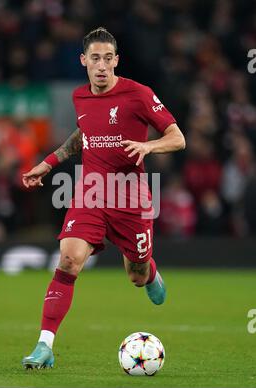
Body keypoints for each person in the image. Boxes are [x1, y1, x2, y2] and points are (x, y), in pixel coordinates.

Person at [21, 27, 185, 369]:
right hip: (91, 192)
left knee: (135, 275)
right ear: (84, 60)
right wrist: (49, 163)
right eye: (95, 58)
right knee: (68, 261)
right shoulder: (80, 97)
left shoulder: (138, 94)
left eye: (108, 59)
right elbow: (85, 133)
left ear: (116, 61)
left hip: (130, 195)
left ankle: (150, 272)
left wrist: (148, 145)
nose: (101, 65)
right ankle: (44, 345)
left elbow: (177, 137)